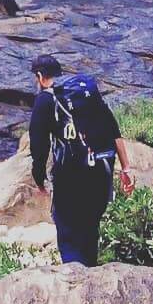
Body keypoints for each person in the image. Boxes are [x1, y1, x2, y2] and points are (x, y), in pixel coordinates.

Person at [29, 53, 134, 266]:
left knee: (68, 230)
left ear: (39, 77)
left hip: (70, 177)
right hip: (100, 173)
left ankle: (76, 278)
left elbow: (39, 146)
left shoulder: (45, 100)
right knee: (90, 227)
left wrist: (39, 179)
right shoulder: (86, 94)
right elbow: (113, 129)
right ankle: (91, 270)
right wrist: (126, 168)